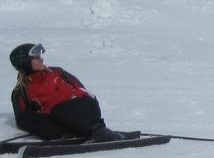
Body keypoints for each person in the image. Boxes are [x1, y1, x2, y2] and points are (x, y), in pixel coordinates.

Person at [8, 42, 136, 142]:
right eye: (36, 58)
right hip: (59, 122)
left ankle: (97, 130)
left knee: (81, 101)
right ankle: (72, 133)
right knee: (42, 115)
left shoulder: (56, 72)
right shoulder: (21, 92)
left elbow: (80, 89)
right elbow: (23, 120)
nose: (41, 59)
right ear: (24, 62)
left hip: (83, 108)